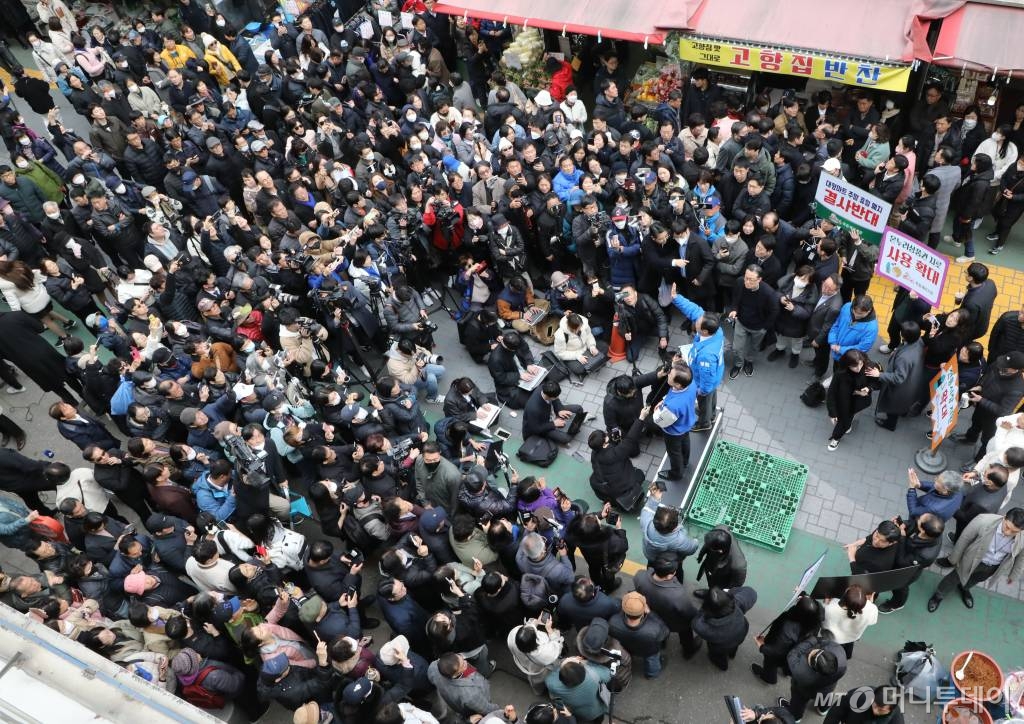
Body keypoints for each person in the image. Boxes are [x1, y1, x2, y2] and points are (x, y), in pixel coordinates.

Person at [929, 507, 1024, 612]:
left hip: (992, 567)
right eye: (1007, 527)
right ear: (1004, 517)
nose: (1008, 533)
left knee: (976, 579)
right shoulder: (983, 520)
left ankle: (964, 588)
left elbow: (1021, 557)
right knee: (954, 577)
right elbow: (964, 539)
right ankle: (939, 595)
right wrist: (954, 559)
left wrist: (1014, 575)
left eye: (1014, 532)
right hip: (971, 559)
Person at [957, 351, 1024, 463]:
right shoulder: (999, 364)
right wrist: (980, 386)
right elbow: (987, 375)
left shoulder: (1017, 388)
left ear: (1015, 369)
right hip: (981, 407)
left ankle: (978, 461)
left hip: (992, 418)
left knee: (987, 440)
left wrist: (981, 400)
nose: (1001, 365)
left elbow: (1004, 411)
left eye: (1006, 366)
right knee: (975, 422)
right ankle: (970, 438)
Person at [670, 291, 724, 430]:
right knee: (711, 396)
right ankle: (711, 414)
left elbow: (707, 378)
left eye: (698, 323)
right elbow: (694, 310)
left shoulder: (706, 356)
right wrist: (676, 298)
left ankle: (704, 423)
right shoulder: (716, 330)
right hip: (714, 377)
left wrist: (701, 391)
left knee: (704, 400)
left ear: (704, 331)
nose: (696, 321)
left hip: (704, 382)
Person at [633, 553, 702, 660]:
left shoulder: (640, 576)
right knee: (686, 632)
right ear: (670, 575)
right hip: (674, 622)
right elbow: (689, 613)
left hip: (651, 616)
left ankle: (663, 642)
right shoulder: (677, 594)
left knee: (661, 630)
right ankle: (688, 650)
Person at [878, 513, 944, 614]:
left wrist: (902, 538)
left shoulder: (925, 555)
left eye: (919, 520)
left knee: (899, 587)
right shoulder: (933, 529)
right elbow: (911, 524)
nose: (917, 518)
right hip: (905, 554)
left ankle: (897, 604)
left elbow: (902, 562)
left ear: (922, 531)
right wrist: (900, 524)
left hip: (907, 570)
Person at [751, 594, 823, 684]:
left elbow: (776, 651)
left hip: (781, 652)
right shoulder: (815, 620)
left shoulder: (787, 628)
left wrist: (762, 646)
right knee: (787, 663)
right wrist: (802, 593)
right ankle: (786, 671)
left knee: (771, 663)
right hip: (797, 651)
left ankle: (769, 677)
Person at [588, 408, 650, 510]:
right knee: (640, 474)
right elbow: (630, 439)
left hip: (607, 486)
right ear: (604, 443)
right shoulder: (615, 454)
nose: (607, 435)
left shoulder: (594, 453)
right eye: (605, 436)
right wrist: (641, 417)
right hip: (622, 486)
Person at [868, 321, 925, 430]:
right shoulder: (919, 341)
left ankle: (890, 424)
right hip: (912, 382)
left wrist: (879, 374)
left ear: (904, 336)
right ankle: (903, 412)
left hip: (900, 389)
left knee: (892, 407)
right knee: (901, 405)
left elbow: (898, 378)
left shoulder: (904, 358)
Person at [728, 265, 779, 378]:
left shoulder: (768, 293)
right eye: (746, 277)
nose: (746, 281)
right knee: (736, 348)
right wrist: (734, 310)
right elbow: (735, 298)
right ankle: (738, 364)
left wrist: (764, 328)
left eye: (750, 279)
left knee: (754, 347)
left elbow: (774, 311)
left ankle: (749, 361)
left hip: (758, 327)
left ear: (759, 280)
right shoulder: (740, 282)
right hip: (741, 322)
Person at [691, 585, 757, 671]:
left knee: (717, 655)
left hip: (721, 645)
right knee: (733, 647)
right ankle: (732, 654)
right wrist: (730, 592)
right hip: (740, 634)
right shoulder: (736, 604)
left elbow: (696, 621)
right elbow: (751, 592)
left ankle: (722, 665)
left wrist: (703, 609)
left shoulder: (702, 626)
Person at [782, 635, 848, 720]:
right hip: (828, 687)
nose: (811, 652)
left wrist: (812, 640)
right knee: (825, 696)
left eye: (811, 656)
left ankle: (796, 717)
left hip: (804, 691)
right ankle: (823, 709)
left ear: (814, 669)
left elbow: (793, 654)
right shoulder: (840, 653)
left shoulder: (801, 671)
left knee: (798, 701)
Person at [653, 364, 697, 485]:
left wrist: (658, 410)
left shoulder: (673, 406)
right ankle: (685, 462)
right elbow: (675, 394)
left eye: (670, 375)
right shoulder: (691, 384)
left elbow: (660, 420)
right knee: (685, 441)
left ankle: (677, 473)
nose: (668, 374)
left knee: (674, 452)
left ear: (678, 384)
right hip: (686, 424)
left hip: (673, 432)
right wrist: (665, 400)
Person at [640, 484, 699, 570]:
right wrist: (695, 542)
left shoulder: (646, 523)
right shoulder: (679, 540)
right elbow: (691, 549)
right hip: (670, 563)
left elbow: (648, 509)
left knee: (651, 568)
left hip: (651, 557)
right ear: (675, 527)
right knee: (677, 572)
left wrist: (654, 497)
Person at [826, 350, 876, 451]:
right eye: (854, 366)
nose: (858, 368)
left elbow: (876, 383)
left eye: (860, 364)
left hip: (859, 400)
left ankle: (841, 432)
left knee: (848, 417)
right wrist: (832, 413)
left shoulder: (869, 366)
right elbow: (831, 393)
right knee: (844, 420)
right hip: (844, 401)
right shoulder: (840, 373)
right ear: (847, 365)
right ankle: (837, 437)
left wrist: (869, 389)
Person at [950, 153, 994, 263]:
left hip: (969, 212)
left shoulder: (981, 184)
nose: (972, 163)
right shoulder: (977, 173)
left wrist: (967, 216)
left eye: (975, 162)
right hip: (963, 207)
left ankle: (970, 254)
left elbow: (974, 202)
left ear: (981, 166)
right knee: (957, 222)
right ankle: (956, 238)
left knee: (966, 231)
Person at [544, 657, 613, 724]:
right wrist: (585, 663)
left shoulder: (553, 685)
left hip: (582, 713)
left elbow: (550, 677)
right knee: (599, 718)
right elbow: (608, 674)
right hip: (600, 705)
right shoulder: (594, 673)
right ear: (583, 670)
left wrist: (563, 663)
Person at [508, 615, 564, 693]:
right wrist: (550, 630)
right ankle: (542, 690)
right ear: (534, 641)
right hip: (539, 669)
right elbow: (557, 647)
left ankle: (538, 691)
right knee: (542, 679)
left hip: (526, 664)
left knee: (535, 681)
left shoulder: (513, 635)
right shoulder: (542, 654)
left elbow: (527, 631)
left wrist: (537, 621)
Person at [522, 380, 585, 446]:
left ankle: (574, 425)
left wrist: (560, 410)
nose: (558, 397)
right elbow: (536, 429)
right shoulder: (534, 409)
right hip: (544, 425)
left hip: (551, 413)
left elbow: (556, 400)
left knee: (578, 408)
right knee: (566, 438)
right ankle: (575, 426)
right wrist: (554, 424)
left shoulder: (546, 388)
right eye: (556, 396)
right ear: (549, 396)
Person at [822, 585, 877, 659]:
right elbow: (872, 621)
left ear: (844, 599)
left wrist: (825, 603)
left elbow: (823, 623)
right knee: (847, 651)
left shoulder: (830, 609)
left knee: (830, 656)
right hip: (852, 637)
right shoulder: (871, 609)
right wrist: (871, 604)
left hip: (833, 640)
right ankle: (846, 657)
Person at [822, 685, 904, 724]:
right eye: (874, 705)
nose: (875, 711)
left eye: (881, 710)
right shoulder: (859, 695)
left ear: (890, 710)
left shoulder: (896, 720)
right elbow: (836, 711)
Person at [958, 262, 998, 341]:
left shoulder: (971, 303)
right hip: (983, 323)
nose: (965, 273)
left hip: (974, 330)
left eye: (966, 272)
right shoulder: (991, 283)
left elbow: (967, 322)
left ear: (970, 278)